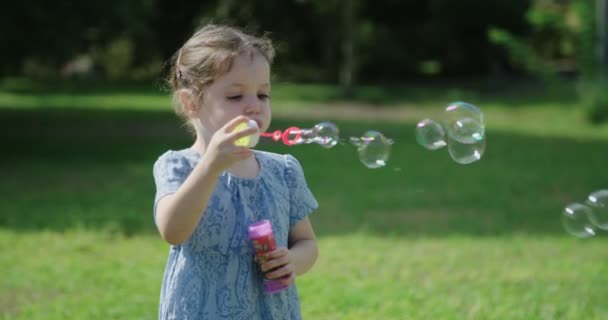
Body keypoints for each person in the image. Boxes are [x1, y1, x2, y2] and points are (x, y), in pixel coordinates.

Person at [152, 24, 319, 319]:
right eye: (235, 97)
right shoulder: (178, 166)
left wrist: (293, 260)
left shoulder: (283, 170)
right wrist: (211, 166)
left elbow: (306, 242)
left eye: (263, 95)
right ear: (190, 103)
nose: (254, 106)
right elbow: (173, 231)